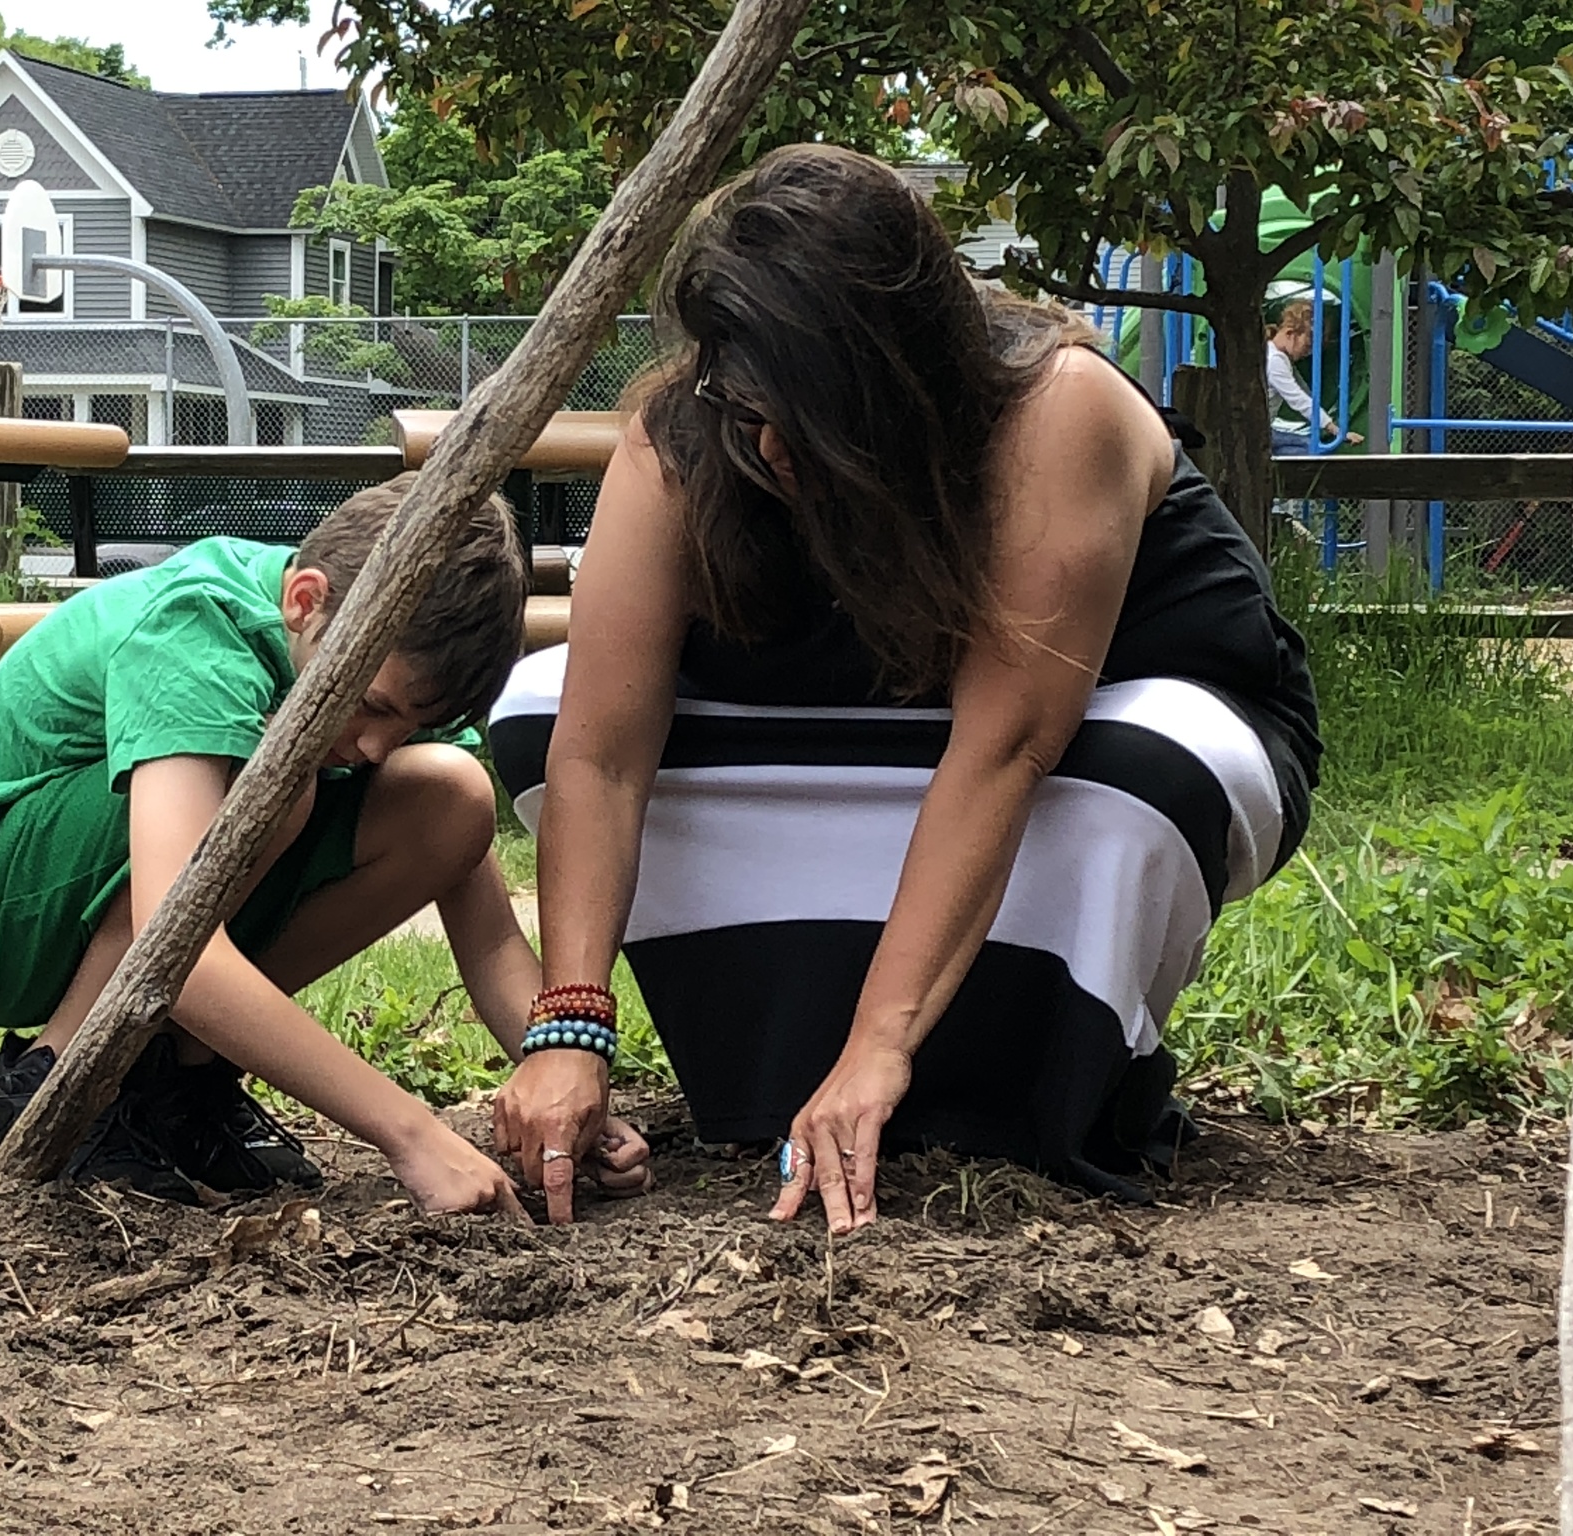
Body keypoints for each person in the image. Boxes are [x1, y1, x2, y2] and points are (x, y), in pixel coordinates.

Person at [486, 145, 1322, 1231]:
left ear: (894, 372)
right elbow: (598, 751)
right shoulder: (682, 436)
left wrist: (880, 1042)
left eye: (804, 405)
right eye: (744, 400)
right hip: (880, 721)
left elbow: (1005, 745)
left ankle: (1035, 1082)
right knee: (538, 708)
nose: (771, 442)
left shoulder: (1052, 406)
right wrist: (568, 1026)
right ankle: (765, 1069)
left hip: (1108, 720)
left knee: (1132, 769)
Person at [0, 473, 651, 1215]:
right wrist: (410, 1134)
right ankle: (52, 1082)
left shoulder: (363, 672)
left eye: (409, 726)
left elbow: (489, 946)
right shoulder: (200, 630)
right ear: (306, 601)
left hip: (125, 923)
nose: (380, 747)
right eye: (373, 706)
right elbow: (174, 950)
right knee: (277, 785)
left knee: (452, 799)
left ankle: (177, 1087)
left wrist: (562, 1068)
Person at [1266, 299, 1362, 452]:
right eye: (1307, 345)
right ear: (1290, 334)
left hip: (1262, 429)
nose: (1308, 353)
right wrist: (1335, 430)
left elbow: (1304, 391)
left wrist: (1326, 420)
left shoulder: (1279, 356)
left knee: (1308, 444)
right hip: (1256, 432)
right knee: (1309, 449)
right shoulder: (1275, 361)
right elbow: (1298, 399)